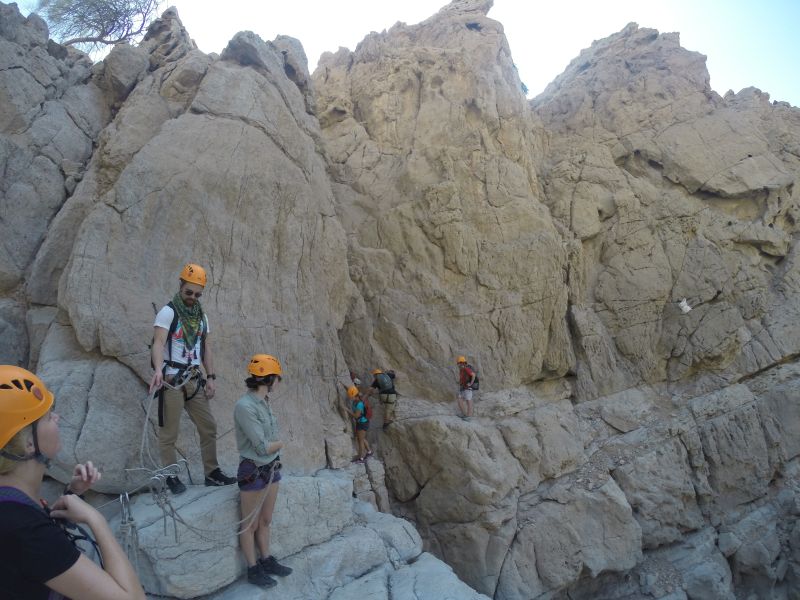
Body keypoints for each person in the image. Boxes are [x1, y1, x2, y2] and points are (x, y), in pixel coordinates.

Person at [0, 365, 146, 600]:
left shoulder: (13, 504)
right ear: (28, 444)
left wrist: (73, 494)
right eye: (48, 417)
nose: (56, 418)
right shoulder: (23, 527)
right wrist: (95, 520)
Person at [148, 263, 236, 494]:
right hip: (172, 379)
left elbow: (206, 347)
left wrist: (211, 377)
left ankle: (212, 472)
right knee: (170, 433)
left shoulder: (201, 317)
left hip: (194, 379)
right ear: (181, 286)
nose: (192, 297)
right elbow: (158, 343)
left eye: (197, 294)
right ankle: (170, 476)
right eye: (189, 292)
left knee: (208, 427)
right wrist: (158, 370)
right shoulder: (168, 312)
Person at [234, 354, 293, 588]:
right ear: (269, 379)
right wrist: (282, 443)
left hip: (271, 468)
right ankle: (252, 568)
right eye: (278, 378)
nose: (279, 382)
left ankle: (266, 559)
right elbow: (262, 446)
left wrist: (275, 447)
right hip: (253, 469)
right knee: (250, 524)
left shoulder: (264, 401)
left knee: (266, 519)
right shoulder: (245, 407)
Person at [346, 385, 372, 464]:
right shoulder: (356, 399)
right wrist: (342, 384)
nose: (350, 398)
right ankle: (369, 452)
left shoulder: (359, 404)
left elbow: (356, 416)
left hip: (362, 423)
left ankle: (361, 458)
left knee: (360, 440)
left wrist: (346, 409)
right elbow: (350, 390)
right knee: (362, 438)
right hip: (361, 422)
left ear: (354, 396)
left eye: (351, 397)